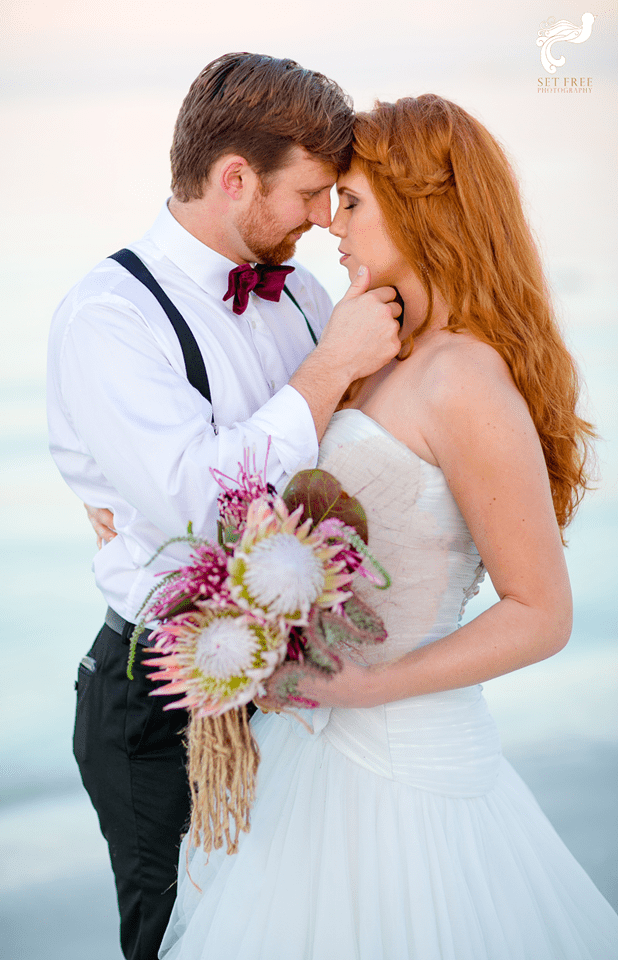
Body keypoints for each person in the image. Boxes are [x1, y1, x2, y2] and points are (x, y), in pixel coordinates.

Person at [157, 95, 618, 959]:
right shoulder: (378, 357)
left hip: (404, 764)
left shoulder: (464, 378)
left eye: (355, 203)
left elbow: (540, 612)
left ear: (424, 208)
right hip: (311, 755)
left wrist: (367, 688)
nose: (332, 223)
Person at [46, 53, 401, 960]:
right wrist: (326, 373)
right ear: (234, 179)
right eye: (311, 194)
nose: (324, 222)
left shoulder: (310, 295)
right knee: (190, 940)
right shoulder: (108, 317)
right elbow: (202, 511)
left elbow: (352, 473)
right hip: (162, 703)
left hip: (303, 689)